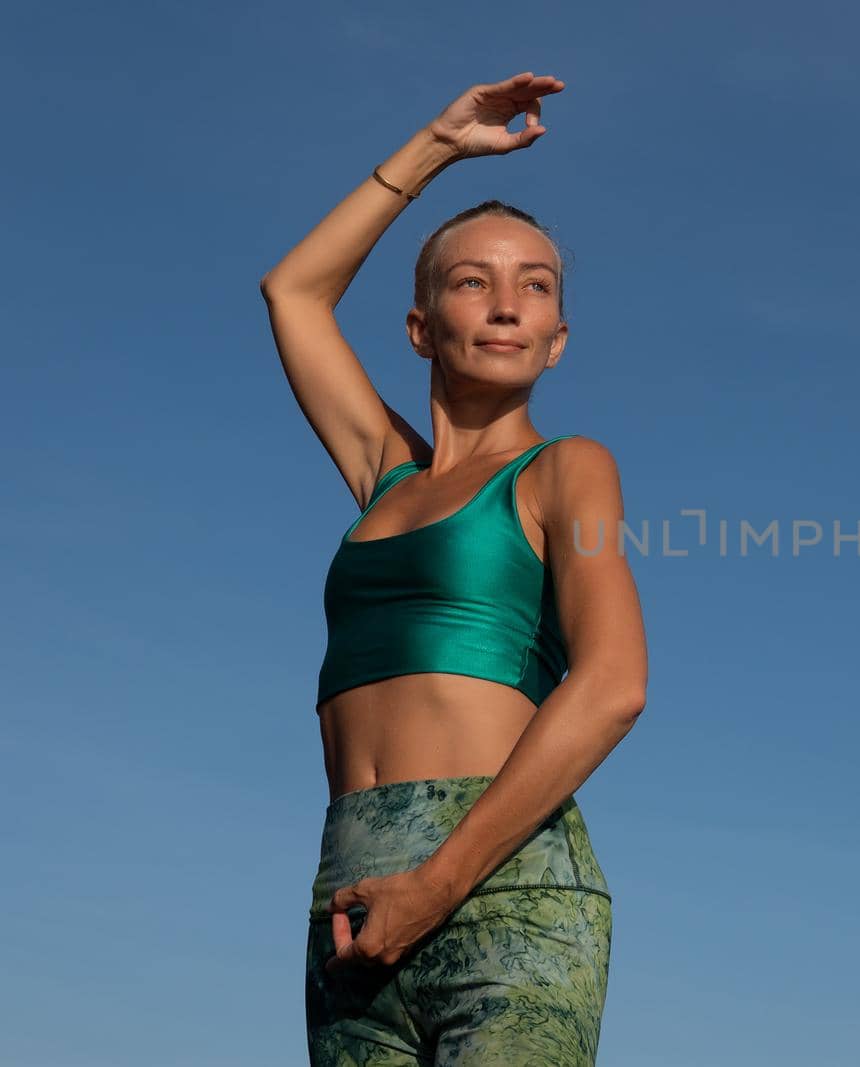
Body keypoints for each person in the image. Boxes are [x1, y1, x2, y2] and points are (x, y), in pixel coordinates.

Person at [259, 70, 648, 1066]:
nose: (507, 303)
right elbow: (294, 290)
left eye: (536, 285)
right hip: (349, 881)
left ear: (558, 342)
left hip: (507, 883)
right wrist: (438, 142)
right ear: (420, 327)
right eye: (473, 280)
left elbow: (612, 685)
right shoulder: (384, 477)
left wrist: (437, 883)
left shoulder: (568, 469)